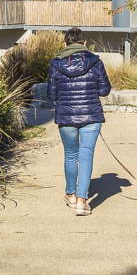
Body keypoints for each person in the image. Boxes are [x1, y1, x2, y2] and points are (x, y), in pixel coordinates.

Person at [47, 26, 111, 216]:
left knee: (70, 155)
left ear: (64, 44)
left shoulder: (55, 64)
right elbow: (105, 90)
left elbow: (51, 95)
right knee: (86, 156)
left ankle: (71, 195)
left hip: (66, 116)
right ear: (84, 43)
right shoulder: (96, 62)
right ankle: (83, 201)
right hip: (91, 115)